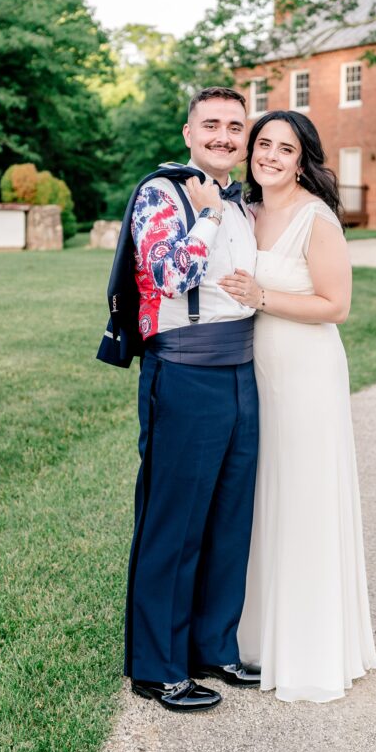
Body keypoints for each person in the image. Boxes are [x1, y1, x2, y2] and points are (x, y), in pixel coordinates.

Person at [219, 110, 376, 703]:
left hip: (307, 373)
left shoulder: (317, 219)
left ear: (302, 158)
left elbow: (336, 305)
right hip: (255, 369)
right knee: (263, 498)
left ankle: (311, 647)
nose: (270, 156)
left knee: (305, 496)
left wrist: (263, 295)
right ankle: (257, 637)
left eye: (285, 149)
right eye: (263, 144)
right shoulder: (245, 212)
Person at [124, 86, 261, 713]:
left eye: (236, 126)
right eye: (212, 125)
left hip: (241, 370)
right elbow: (168, 277)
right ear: (188, 132)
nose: (224, 136)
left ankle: (214, 646)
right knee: (174, 523)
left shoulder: (244, 204)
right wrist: (204, 212)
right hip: (184, 370)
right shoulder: (164, 193)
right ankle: (158, 666)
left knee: (230, 519)